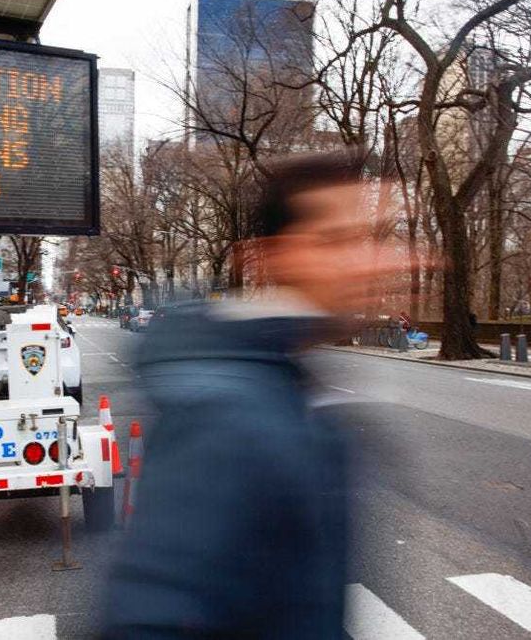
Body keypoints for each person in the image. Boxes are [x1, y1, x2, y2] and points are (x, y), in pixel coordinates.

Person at [101, 151, 400, 639]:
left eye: (373, 239)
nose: (367, 262)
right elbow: (151, 619)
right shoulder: (227, 415)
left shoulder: (286, 385)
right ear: (269, 254)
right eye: (335, 240)